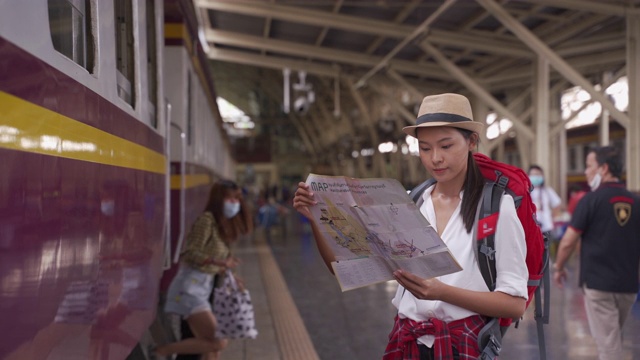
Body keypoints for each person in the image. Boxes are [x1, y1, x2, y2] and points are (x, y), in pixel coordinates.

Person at [293, 93, 528, 358]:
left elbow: (515, 304)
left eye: (446, 146)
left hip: (461, 346)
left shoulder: (497, 209)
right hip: (408, 344)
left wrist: (441, 292)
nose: (435, 158)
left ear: (472, 141)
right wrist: (316, 219)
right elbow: (345, 271)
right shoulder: (410, 204)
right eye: (425, 148)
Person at [553, 146, 640, 360]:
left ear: (604, 168)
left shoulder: (590, 200)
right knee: (612, 337)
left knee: (609, 346)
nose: (586, 172)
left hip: (598, 285)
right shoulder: (636, 202)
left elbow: (567, 242)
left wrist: (559, 267)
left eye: (589, 166)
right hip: (628, 286)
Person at [156, 180, 253, 360]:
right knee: (218, 341)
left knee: (211, 348)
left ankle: (163, 351)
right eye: (230, 199)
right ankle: (162, 351)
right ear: (219, 199)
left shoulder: (220, 223)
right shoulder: (207, 220)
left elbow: (218, 260)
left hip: (202, 288)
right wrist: (219, 262)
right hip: (189, 288)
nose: (235, 203)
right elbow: (190, 252)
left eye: (237, 199)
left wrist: (229, 273)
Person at [527, 165, 562, 255]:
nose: (536, 177)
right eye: (533, 174)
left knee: (545, 253)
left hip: (546, 227)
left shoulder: (547, 190)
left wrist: (552, 217)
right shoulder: (526, 191)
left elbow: (557, 203)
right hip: (530, 228)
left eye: (538, 175)